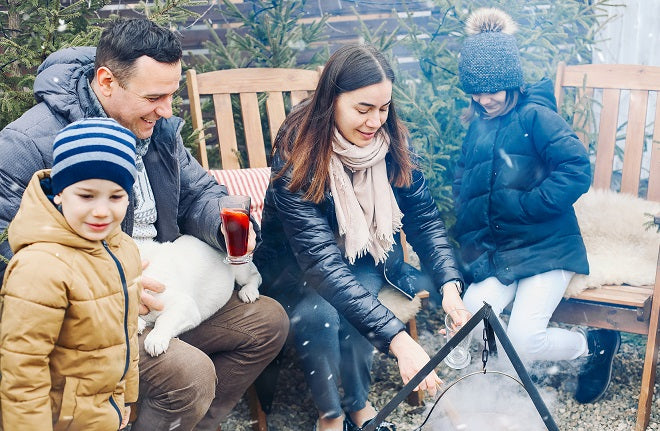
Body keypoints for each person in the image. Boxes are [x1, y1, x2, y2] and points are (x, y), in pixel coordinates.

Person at [0, 18, 289, 430]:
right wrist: (116, 291)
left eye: (171, 95)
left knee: (267, 322)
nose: (167, 110)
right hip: (94, 316)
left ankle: (191, 423)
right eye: (155, 96)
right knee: (189, 375)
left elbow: (197, 194)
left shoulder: (158, 128)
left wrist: (226, 225)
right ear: (106, 82)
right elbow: (10, 256)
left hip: (168, 291)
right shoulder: (27, 145)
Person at [253, 44, 467, 431]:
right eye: (363, 109)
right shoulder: (297, 150)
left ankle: (357, 406)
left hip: (364, 258)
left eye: (383, 108)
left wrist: (450, 286)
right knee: (319, 312)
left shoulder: (393, 142)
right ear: (331, 100)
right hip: (296, 267)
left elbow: (425, 220)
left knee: (360, 306)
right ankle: (331, 416)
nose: (374, 122)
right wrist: (400, 342)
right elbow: (321, 266)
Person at [452, 7, 620, 404]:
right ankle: (502, 374)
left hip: (548, 246)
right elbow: (465, 181)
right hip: (503, 252)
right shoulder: (477, 125)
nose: (484, 98)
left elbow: (576, 167)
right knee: (470, 313)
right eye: (475, 90)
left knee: (526, 337)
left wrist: (531, 207)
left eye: (492, 88)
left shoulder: (536, 117)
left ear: (511, 81)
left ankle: (590, 348)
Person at [0, 118, 141, 430]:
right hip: (60, 420)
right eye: (87, 196)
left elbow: (125, 337)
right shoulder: (40, 267)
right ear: (60, 193)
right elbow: (22, 372)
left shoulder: (123, 249)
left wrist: (125, 396)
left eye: (115, 196)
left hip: (103, 413)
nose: (102, 210)